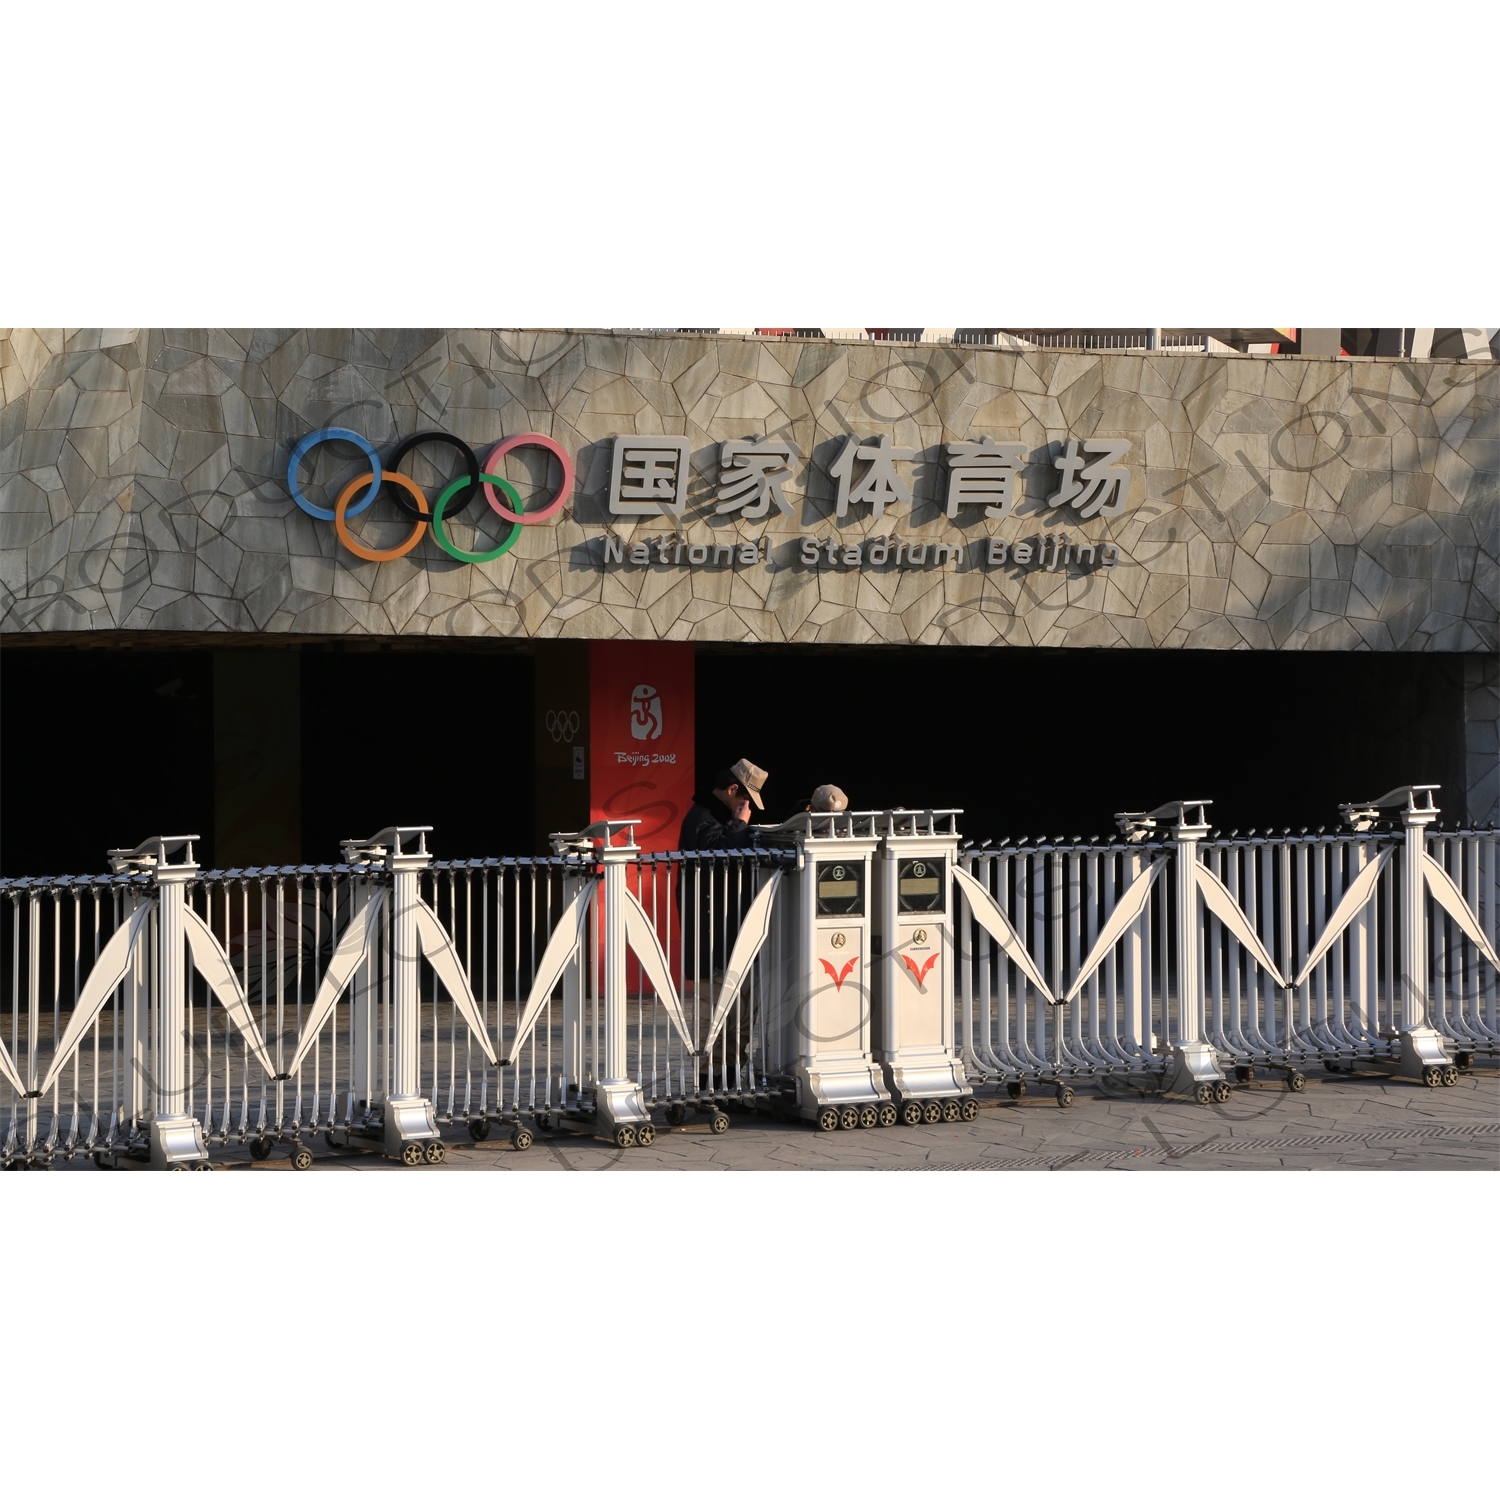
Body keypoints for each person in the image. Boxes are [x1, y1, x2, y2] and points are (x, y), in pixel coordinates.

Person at [676, 759, 769, 1094]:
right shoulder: (701, 818)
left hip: (734, 936)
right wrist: (740, 823)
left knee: (742, 1017)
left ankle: (729, 1079)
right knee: (713, 1018)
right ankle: (708, 1083)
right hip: (711, 939)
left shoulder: (719, 818)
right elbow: (719, 855)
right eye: (745, 801)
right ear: (733, 790)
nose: (746, 810)